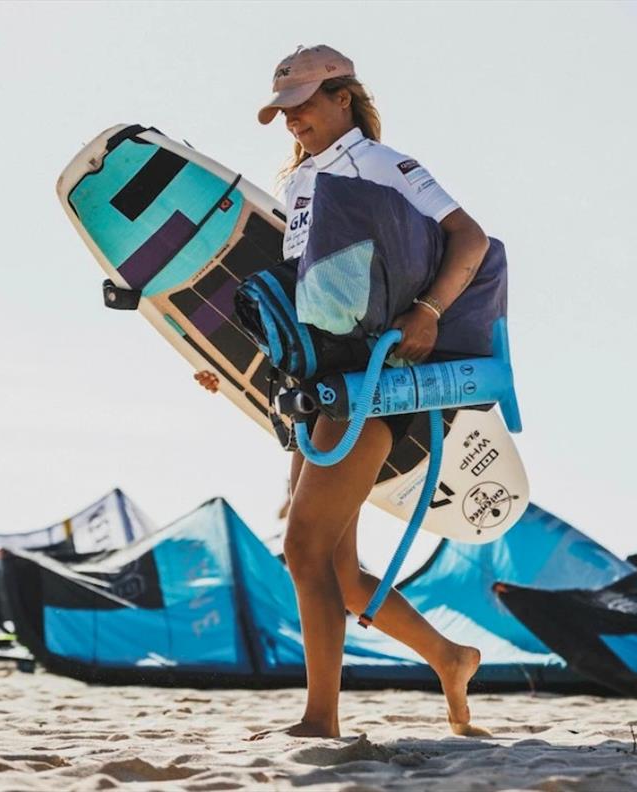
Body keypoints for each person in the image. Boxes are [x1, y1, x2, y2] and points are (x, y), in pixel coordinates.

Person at [196, 45, 492, 739]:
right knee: (337, 567)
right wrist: (225, 364)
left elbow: (470, 237)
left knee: (303, 549)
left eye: (304, 103)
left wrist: (431, 312)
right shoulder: (302, 182)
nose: (293, 119)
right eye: (284, 109)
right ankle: (452, 658)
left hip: (369, 378)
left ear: (343, 97)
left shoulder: (384, 167)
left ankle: (321, 719)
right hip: (316, 382)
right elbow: (304, 302)